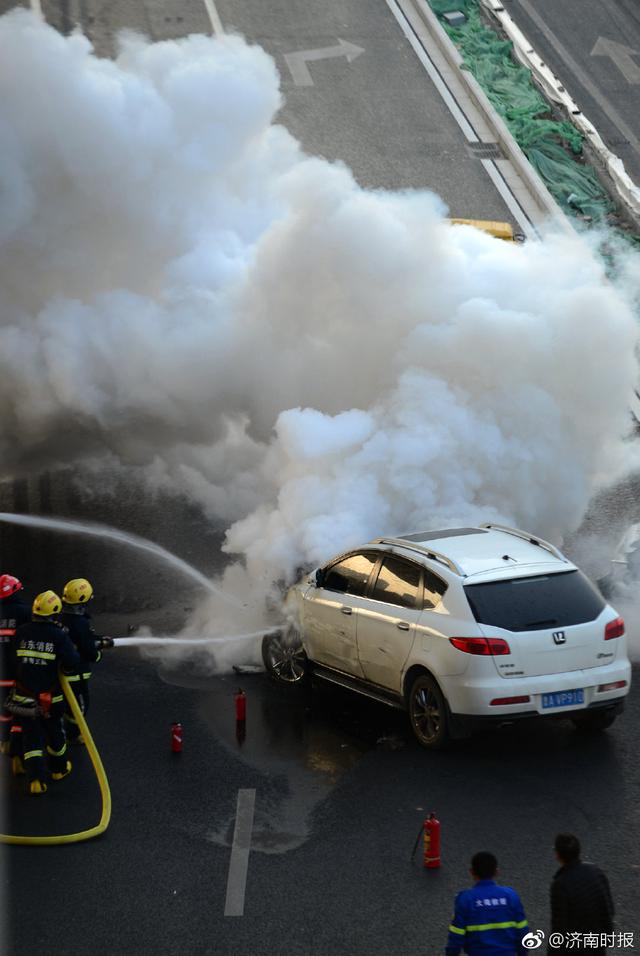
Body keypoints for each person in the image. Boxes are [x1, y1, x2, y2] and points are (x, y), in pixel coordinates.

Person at [13, 590, 81, 794]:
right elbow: (72, 662)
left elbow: (12, 658)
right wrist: (65, 669)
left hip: (22, 695)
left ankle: (36, 781)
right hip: (49, 698)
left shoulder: (22, 631)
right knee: (54, 733)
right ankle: (58, 770)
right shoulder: (58, 635)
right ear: (55, 613)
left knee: (31, 736)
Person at [59, 578, 113, 743]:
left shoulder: (62, 618)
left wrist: (98, 640)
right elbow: (88, 649)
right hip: (77, 675)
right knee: (80, 707)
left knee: (64, 705)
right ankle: (73, 735)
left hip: (62, 671)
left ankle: (63, 732)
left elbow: (81, 639)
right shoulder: (81, 622)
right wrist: (98, 654)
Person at [446, 851, 529, 955]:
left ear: (471, 872)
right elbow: (523, 931)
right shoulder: (511, 896)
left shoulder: (465, 899)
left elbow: (456, 937)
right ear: (496, 872)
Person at [548, 833, 614, 955]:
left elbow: (559, 927)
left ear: (557, 855)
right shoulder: (596, 871)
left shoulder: (560, 884)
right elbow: (609, 907)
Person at [0, 574, 31, 758]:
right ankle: (18, 750)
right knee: (20, 710)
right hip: (19, 673)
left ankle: (4, 741)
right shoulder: (25, 612)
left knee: (3, 710)